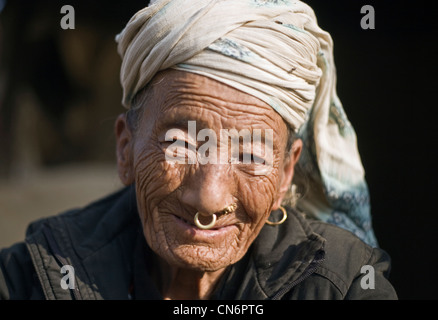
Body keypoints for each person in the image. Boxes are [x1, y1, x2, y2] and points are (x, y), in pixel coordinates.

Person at [0, 0, 397, 300]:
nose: (208, 199)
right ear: (126, 150)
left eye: (251, 155)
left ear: (285, 174)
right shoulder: (34, 278)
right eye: (181, 143)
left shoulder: (342, 287)